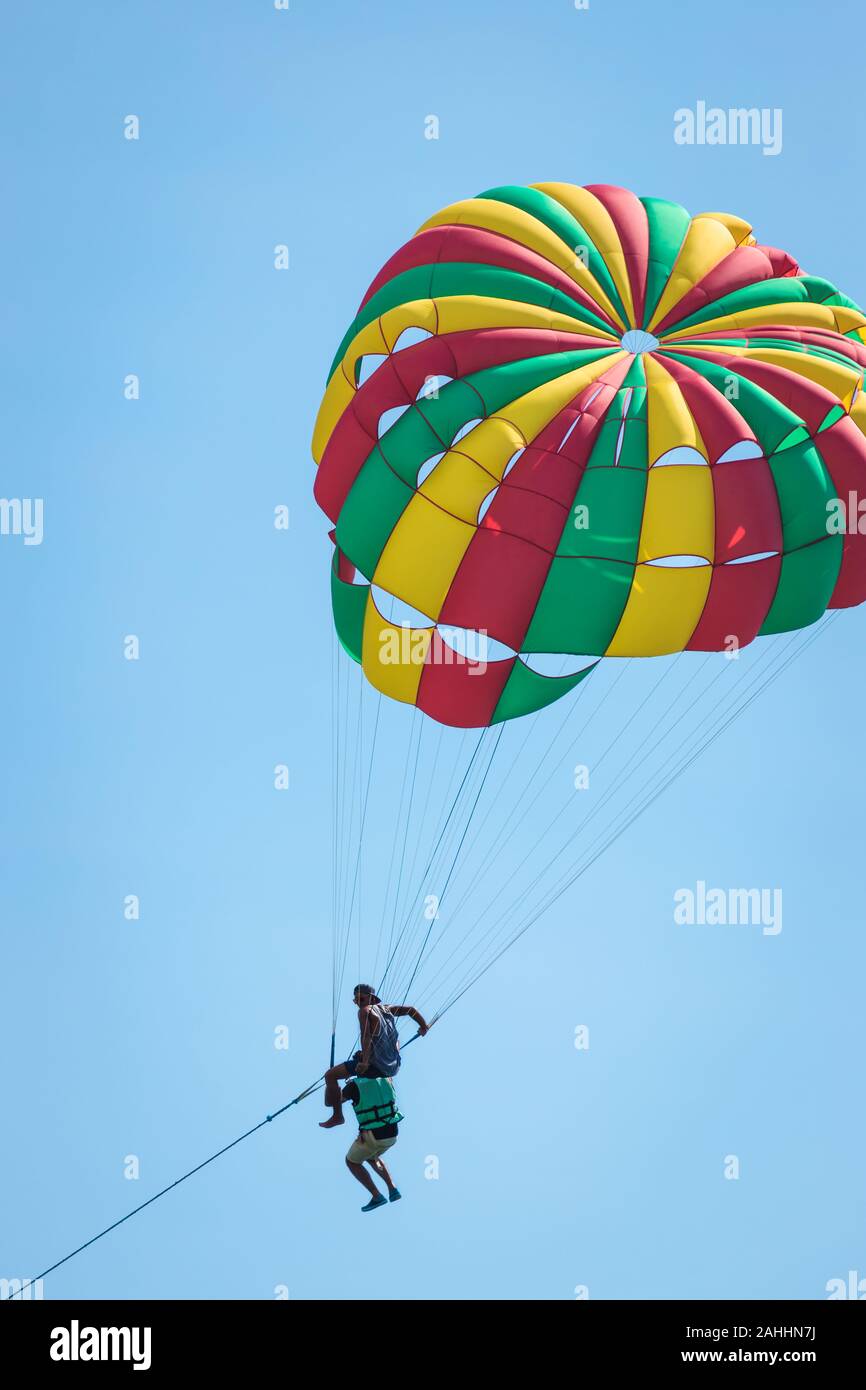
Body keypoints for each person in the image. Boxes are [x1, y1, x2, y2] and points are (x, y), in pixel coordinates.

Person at [319, 984, 429, 1129]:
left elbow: (366, 1037)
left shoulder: (365, 1011)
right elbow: (410, 1010)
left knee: (330, 1076)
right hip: (393, 1067)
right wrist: (423, 1026)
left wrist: (364, 1062)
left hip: (375, 1066)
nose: (358, 1003)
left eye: (361, 998)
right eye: (356, 1000)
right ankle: (346, 1095)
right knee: (332, 1100)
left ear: (371, 998)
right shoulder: (388, 1009)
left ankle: (338, 1116)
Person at [342, 1072, 403, 1212]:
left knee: (351, 1161)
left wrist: (332, 1087)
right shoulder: (387, 1077)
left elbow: (333, 1101)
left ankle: (376, 1195)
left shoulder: (353, 1086)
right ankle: (392, 1188)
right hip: (392, 1135)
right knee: (371, 1156)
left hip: (373, 1136)